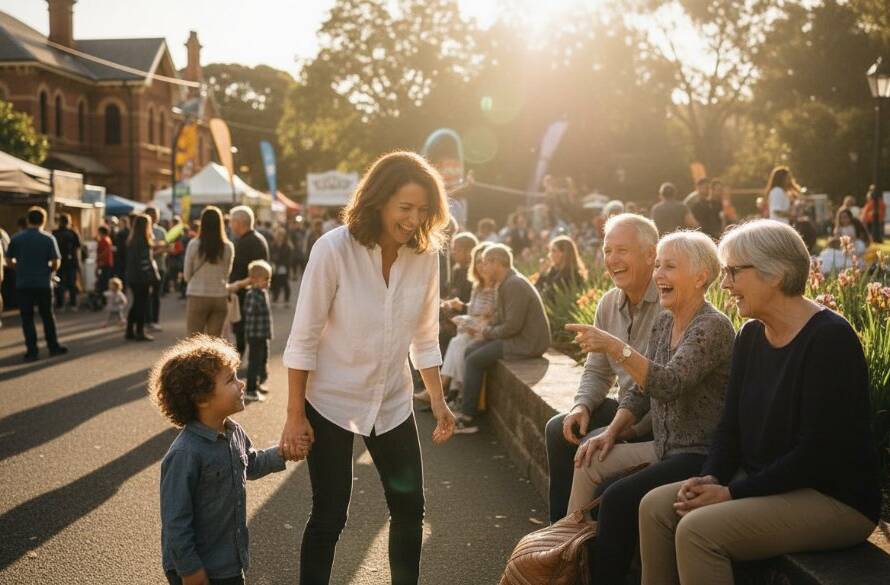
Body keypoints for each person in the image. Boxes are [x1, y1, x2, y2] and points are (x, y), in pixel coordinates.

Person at [638, 220, 881, 585]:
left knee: (697, 531)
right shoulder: (751, 335)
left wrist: (732, 492)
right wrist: (711, 476)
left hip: (832, 497)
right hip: (763, 480)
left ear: (777, 274)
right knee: (656, 506)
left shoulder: (829, 339)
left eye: (733, 272)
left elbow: (817, 454)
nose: (724, 285)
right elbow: (731, 426)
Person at [279, 151, 455, 585]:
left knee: (410, 507)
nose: (415, 219)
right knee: (330, 514)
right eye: (405, 208)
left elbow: (425, 335)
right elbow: (303, 339)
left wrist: (438, 398)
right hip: (331, 400)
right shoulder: (334, 249)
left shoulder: (426, 256)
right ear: (378, 201)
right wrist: (294, 414)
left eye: (424, 210)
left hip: (392, 400)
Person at [563, 231, 735, 585]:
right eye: (657, 265)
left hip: (698, 454)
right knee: (589, 455)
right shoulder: (664, 322)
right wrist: (609, 433)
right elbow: (642, 393)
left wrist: (616, 347)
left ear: (702, 276)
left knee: (616, 498)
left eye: (669, 266)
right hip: (663, 448)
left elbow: (668, 383)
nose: (659, 274)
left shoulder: (712, 327)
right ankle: (565, 559)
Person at [151, 335, 302, 585]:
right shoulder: (185, 454)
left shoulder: (233, 431)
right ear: (202, 398)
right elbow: (175, 522)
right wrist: (190, 570)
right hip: (197, 568)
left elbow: (250, 464)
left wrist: (283, 452)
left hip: (229, 559)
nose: (241, 384)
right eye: (231, 379)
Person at [544, 213, 663, 522]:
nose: (612, 259)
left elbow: (659, 384)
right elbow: (597, 371)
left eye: (622, 250)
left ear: (651, 254)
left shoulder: (670, 303)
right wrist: (581, 406)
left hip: (654, 419)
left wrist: (615, 429)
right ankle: (557, 534)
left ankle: (579, 539)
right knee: (561, 428)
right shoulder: (609, 303)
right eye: (608, 250)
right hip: (626, 406)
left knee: (593, 449)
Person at [454, 243, 551, 434]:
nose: (482, 267)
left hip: (527, 343)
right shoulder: (506, 282)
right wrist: (482, 328)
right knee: (470, 350)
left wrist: (487, 332)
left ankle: (467, 417)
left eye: (485, 263)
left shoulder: (514, 284)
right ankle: (473, 405)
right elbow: (501, 319)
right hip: (517, 338)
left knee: (474, 359)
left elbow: (512, 326)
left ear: (497, 263)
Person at [6, 206, 68, 362]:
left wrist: (19, 267)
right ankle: (53, 346)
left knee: (27, 318)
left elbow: (8, 260)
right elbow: (56, 262)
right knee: (47, 316)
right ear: (44, 220)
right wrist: (50, 271)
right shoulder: (48, 239)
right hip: (43, 282)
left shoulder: (16, 238)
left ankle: (32, 351)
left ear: (28, 220)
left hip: (23, 283)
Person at [438, 242, 497, 402]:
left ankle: (449, 390)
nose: (481, 266)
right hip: (473, 330)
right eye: (478, 262)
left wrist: (472, 323)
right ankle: (453, 392)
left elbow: (493, 317)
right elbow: (472, 312)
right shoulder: (477, 286)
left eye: (484, 262)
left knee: (459, 342)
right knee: (458, 339)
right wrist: (465, 320)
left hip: (486, 332)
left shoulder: (498, 287)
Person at [184, 207, 236, 337]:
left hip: (197, 294)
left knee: (194, 340)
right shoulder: (228, 247)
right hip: (219, 296)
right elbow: (226, 273)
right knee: (214, 342)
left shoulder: (194, 244)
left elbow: (186, 274)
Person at [228, 206, 269, 357]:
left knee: (243, 329)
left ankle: (242, 360)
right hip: (248, 292)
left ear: (239, 222)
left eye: (232, 221)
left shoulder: (248, 242)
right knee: (247, 330)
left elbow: (257, 273)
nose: (230, 225)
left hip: (247, 294)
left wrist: (238, 285)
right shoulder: (254, 239)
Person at [242, 260, 273, 403]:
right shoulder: (252, 294)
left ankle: (258, 383)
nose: (268, 282)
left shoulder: (262, 292)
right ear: (254, 279)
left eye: (269, 279)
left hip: (263, 333)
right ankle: (250, 390)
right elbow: (249, 311)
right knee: (254, 361)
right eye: (265, 279)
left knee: (263, 359)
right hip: (255, 335)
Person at [125, 214, 158, 342]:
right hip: (142, 278)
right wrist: (151, 277)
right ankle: (139, 331)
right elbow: (145, 262)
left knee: (136, 303)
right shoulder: (144, 241)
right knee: (142, 304)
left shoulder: (131, 240)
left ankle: (129, 330)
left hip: (133, 276)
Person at [52, 213, 81, 311]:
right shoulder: (73, 233)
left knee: (60, 284)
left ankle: (60, 304)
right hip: (71, 262)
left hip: (59, 262)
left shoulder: (54, 233)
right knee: (72, 284)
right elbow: (78, 249)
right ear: (69, 222)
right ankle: (73, 304)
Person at [145, 207, 168, 331]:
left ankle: (154, 320)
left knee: (156, 296)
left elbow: (167, 248)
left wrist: (162, 250)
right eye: (152, 215)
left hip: (160, 267)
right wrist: (160, 249)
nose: (154, 217)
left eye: (156, 214)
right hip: (147, 268)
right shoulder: (143, 230)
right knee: (147, 295)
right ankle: (147, 320)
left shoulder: (161, 231)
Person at [269, 228, 293, 306]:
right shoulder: (273, 245)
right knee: (275, 283)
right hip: (275, 267)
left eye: (281, 235)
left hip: (284, 267)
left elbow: (288, 258)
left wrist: (280, 261)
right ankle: (275, 298)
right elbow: (271, 255)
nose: (280, 237)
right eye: (278, 235)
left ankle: (286, 300)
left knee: (285, 283)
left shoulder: (287, 246)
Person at [96, 225, 114, 295]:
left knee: (103, 282)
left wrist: (99, 261)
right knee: (105, 281)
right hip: (108, 263)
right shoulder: (108, 239)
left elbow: (103, 253)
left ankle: (103, 297)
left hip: (104, 263)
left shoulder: (103, 240)